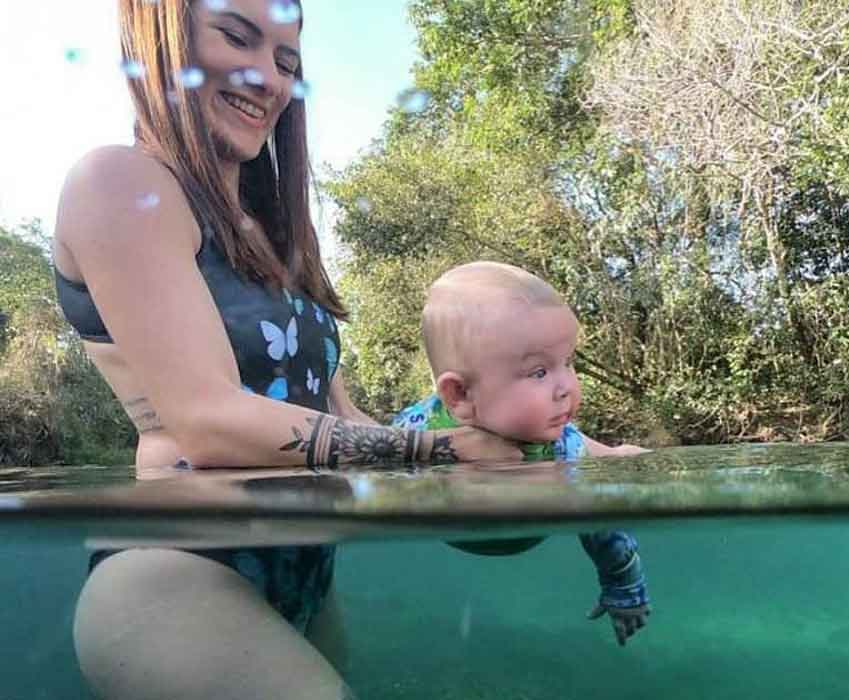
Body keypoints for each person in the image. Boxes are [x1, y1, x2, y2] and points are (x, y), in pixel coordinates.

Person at [53, 1, 520, 698]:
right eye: (236, 37)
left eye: (286, 61)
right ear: (161, 38)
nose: (267, 79)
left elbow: (340, 422)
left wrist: (518, 451)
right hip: (175, 579)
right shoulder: (118, 183)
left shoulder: (275, 236)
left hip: (306, 582)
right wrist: (435, 452)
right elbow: (207, 419)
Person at [391, 261, 652, 645]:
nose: (566, 386)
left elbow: (604, 523)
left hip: (539, 505)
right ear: (460, 395)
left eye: (568, 363)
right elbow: (363, 454)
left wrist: (625, 587)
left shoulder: (562, 445)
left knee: (613, 462)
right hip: (458, 519)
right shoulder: (419, 431)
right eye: (539, 372)